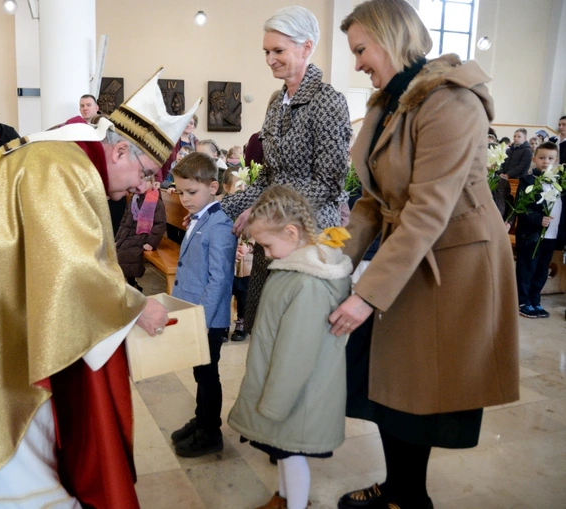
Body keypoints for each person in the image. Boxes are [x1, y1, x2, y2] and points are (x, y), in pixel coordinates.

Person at [0, 69, 200, 509]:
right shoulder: (67, 168)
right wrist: (136, 308)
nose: (144, 186)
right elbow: (74, 272)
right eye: (147, 172)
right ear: (119, 151)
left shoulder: (65, 153)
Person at [334, 1, 519, 508]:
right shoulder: (388, 103)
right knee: (390, 386)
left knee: (418, 390)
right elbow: (373, 201)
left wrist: (365, 297)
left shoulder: (449, 102)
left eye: (361, 50)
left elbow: (428, 209)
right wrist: (331, 258)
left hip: (454, 262)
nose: (357, 64)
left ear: (392, 38)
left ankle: (409, 499)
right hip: (412, 252)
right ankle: (400, 490)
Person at [222, 6, 351, 335]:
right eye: (266, 51)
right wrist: (218, 210)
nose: (269, 59)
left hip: (308, 237)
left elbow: (328, 184)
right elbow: (267, 178)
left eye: (278, 50)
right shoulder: (277, 103)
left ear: (306, 47)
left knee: (297, 334)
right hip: (273, 237)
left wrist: (266, 210)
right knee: (267, 329)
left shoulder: (328, 101)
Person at [228, 186, 352, 509]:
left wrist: (276, 401)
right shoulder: (293, 269)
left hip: (296, 394)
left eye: (267, 245)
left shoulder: (308, 282)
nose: (265, 253)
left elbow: (295, 353)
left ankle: (296, 504)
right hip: (286, 392)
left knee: (293, 454)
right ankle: (283, 498)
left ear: (292, 232)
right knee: (281, 449)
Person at [169, 152, 237, 457]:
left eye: (191, 192)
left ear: (214, 186)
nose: (184, 199)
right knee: (200, 372)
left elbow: (220, 279)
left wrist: (201, 319)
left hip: (207, 319)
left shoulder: (220, 224)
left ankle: (211, 432)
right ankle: (201, 419)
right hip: (194, 313)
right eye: (180, 192)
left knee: (208, 375)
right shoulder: (202, 217)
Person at [515, 141, 565, 319]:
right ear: (534, 159)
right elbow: (521, 208)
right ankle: (523, 301)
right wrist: (538, 219)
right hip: (531, 235)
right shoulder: (527, 181)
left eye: (550, 158)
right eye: (542, 158)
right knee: (527, 267)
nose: (546, 162)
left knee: (542, 269)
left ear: (556, 160)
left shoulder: (559, 183)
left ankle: (535, 300)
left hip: (550, 236)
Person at [115, 174, 167, 292]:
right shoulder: (134, 199)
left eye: (142, 183)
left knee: (126, 253)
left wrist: (151, 243)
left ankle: (129, 285)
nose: (139, 186)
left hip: (144, 235)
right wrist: (118, 238)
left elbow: (160, 224)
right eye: (137, 183)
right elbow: (124, 221)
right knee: (117, 249)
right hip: (129, 234)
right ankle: (131, 283)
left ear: (151, 183)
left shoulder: (155, 201)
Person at [221, 168, 253, 342]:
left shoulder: (253, 210)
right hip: (227, 261)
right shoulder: (224, 209)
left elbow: (258, 234)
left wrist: (249, 248)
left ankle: (241, 322)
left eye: (245, 186)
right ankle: (223, 324)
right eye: (237, 186)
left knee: (243, 293)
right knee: (225, 292)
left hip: (246, 261)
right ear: (226, 187)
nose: (242, 190)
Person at [156, 113, 199, 185]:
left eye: (191, 123)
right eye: (186, 121)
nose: (188, 125)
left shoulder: (197, 144)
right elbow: (159, 158)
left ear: (194, 128)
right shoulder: (170, 139)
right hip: (167, 179)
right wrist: (158, 179)